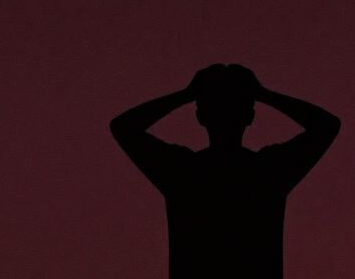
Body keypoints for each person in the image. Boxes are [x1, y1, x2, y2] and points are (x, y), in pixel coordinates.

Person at [110, 64, 340, 279]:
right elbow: (325, 125)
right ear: (250, 117)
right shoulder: (267, 171)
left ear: (200, 117)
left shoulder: (183, 172)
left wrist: (186, 95)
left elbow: (124, 127)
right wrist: (263, 94)